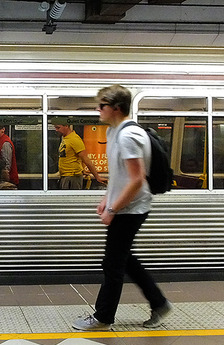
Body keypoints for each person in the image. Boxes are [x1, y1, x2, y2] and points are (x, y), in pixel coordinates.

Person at [72, 84, 172, 331]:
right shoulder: (114, 132)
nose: (98, 110)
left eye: (102, 105)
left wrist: (113, 209)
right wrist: (107, 198)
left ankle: (103, 317)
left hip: (132, 209)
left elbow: (137, 180)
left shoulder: (128, 136)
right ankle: (159, 303)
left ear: (116, 108)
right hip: (124, 207)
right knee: (124, 260)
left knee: (112, 264)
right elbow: (120, 176)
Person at [54, 123, 107, 189]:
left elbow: (85, 159)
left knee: (71, 198)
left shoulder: (74, 139)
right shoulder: (66, 138)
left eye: (58, 127)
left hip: (72, 177)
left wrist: (97, 177)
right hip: (65, 175)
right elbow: (71, 157)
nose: (56, 130)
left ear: (66, 126)